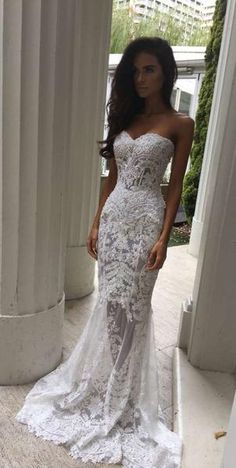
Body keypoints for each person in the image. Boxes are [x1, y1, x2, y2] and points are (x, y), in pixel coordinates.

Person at [16, 37, 194, 467]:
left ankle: (124, 394)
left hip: (147, 220)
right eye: (135, 71)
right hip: (114, 221)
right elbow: (110, 179)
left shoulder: (180, 123)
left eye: (148, 69)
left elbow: (175, 187)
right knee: (111, 308)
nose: (140, 78)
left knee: (135, 308)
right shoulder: (126, 118)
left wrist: (164, 237)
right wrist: (96, 222)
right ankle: (106, 383)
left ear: (166, 71)